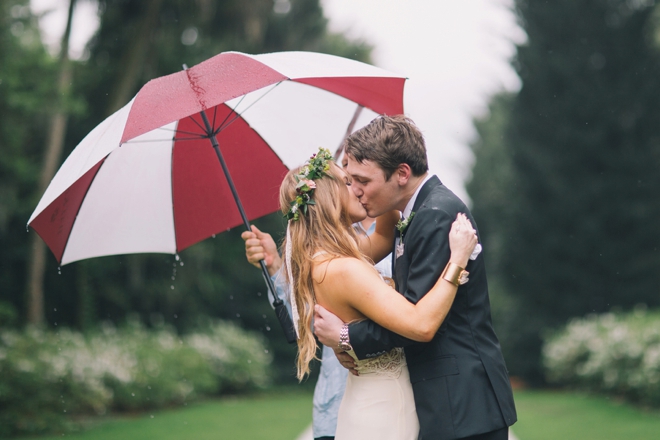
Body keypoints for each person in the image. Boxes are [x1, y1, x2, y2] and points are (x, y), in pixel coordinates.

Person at [313, 115, 517, 440]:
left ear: (402, 174)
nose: (356, 191)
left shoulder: (434, 217)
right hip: (449, 400)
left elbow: (416, 320)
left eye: (363, 181)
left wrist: (347, 336)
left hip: (460, 400)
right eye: (350, 182)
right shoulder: (416, 213)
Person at [279, 147, 478, 440]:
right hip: (385, 408)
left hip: (367, 399)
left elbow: (383, 236)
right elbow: (421, 325)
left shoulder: (322, 260)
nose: (358, 190)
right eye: (348, 183)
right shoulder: (344, 269)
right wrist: (457, 261)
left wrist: (388, 193)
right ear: (329, 199)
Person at [242, 164, 392, 440]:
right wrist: (275, 267)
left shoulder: (397, 227)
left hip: (392, 402)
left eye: (356, 177)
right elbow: (307, 320)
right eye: (347, 177)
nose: (355, 186)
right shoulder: (320, 253)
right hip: (336, 405)